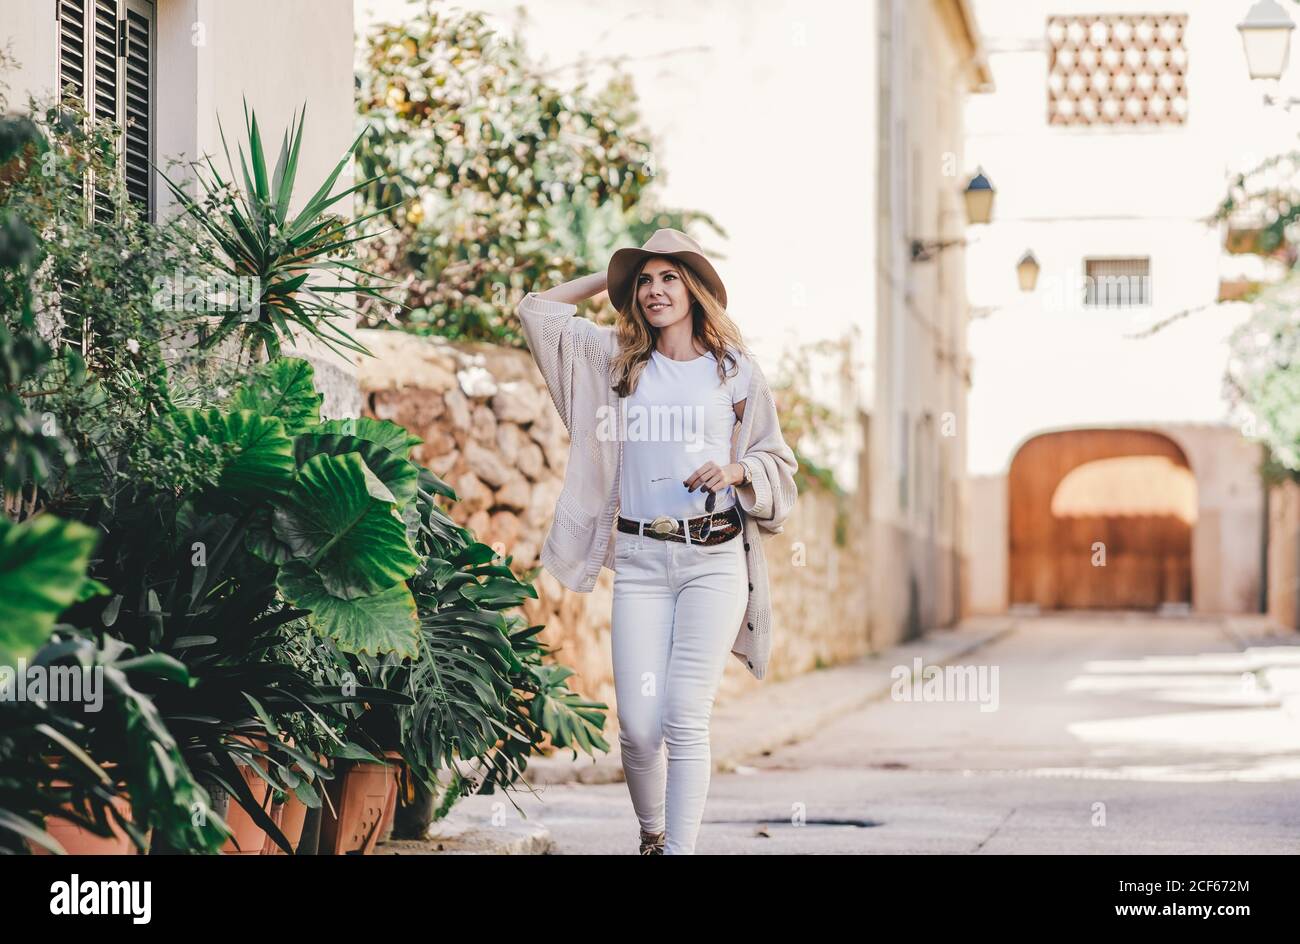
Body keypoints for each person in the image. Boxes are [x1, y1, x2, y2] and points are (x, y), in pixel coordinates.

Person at [517, 228, 798, 854]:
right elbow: (537, 311)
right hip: (641, 560)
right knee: (640, 729)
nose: (655, 290)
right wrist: (611, 274)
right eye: (644, 280)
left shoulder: (736, 373)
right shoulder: (613, 364)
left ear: (695, 290)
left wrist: (736, 471)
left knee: (684, 717)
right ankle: (652, 835)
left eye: (670, 277)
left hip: (714, 560)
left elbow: (778, 463)